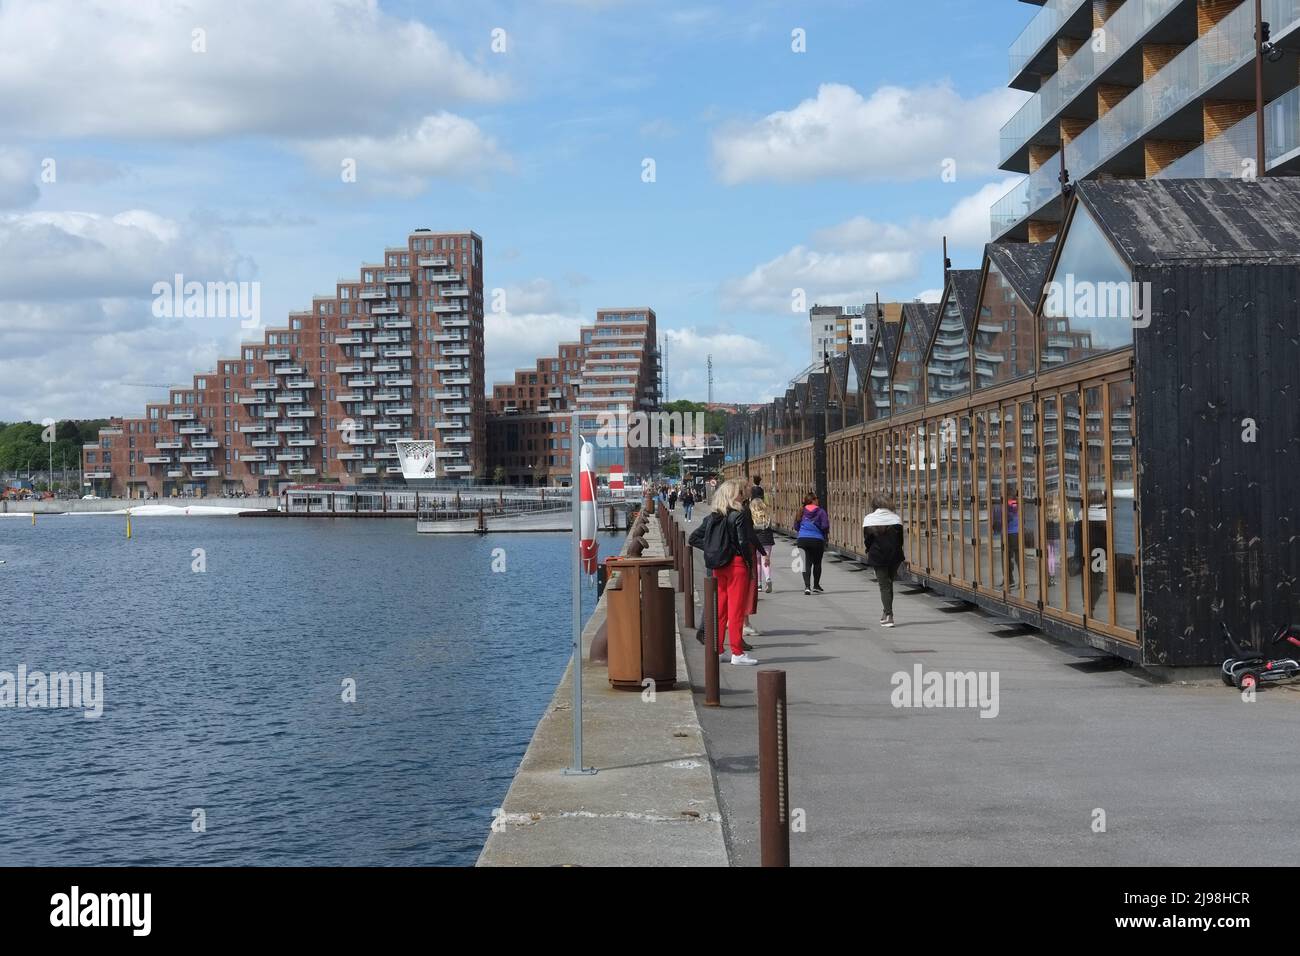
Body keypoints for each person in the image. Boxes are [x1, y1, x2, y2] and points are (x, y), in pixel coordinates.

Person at [689, 477, 761, 665]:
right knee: (735, 610)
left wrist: (714, 549)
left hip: (719, 567)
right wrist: (750, 566)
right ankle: (737, 652)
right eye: (738, 492)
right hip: (737, 566)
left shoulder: (712, 517)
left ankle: (719, 649)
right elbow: (743, 543)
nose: (741, 495)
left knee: (720, 610)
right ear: (732, 495)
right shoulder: (739, 516)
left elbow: (693, 538)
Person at [863, 494, 905, 628]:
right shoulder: (896, 519)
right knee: (888, 584)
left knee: (884, 585)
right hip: (895, 556)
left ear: (874, 506)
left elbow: (867, 541)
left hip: (878, 555)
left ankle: (889, 615)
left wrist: (868, 550)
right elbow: (900, 541)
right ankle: (885, 613)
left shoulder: (869, 519)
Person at [793, 492, 830, 595]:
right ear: (813, 500)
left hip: (802, 540)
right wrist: (824, 535)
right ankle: (816, 585)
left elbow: (796, 526)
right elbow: (825, 526)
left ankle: (807, 587)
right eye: (816, 498)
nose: (818, 500)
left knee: (806, 564)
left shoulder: (801, 511)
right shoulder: (821, 511)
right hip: (817, 540)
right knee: (817, 563)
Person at [749, 495, 776, 593]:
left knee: (758, 562)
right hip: (767, 540)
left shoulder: (752, 516)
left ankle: (759, 584)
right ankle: (768, 578)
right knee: (766, 560)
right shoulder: (767, 516)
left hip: (756, 541)